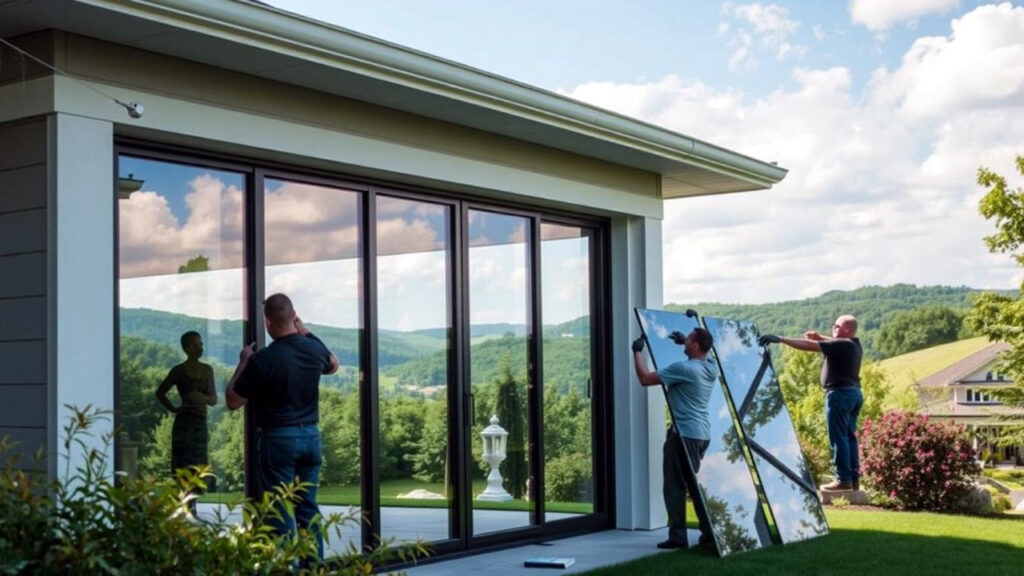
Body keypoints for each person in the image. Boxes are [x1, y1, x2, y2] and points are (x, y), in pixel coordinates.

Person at [225, 293, 340, 560]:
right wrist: (307, 332)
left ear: (268, 322)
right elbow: (333, 364)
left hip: (278, 440)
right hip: (311, 437)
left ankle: (285, 566)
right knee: (307, 508)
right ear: (294, 316)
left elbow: (232, 401)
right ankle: (313, 567)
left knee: (278, 509)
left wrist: (243, 361)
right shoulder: (312, 349)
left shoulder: (262, 359)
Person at [632, 328, 717, 550]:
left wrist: (637, 352)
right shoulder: (710, 368)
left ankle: (678, 537)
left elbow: (645, 378)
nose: (685, 342)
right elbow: (708, 354)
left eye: (688, 340)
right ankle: (709, 533)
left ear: (697, 346)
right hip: (702, 434)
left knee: (674, 486)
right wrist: (682, 342)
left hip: (684, 435)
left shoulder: (684, 368)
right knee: (694, 486)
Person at [759, 314, 863, 491]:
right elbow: (832, 342)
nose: (833, 327)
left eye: (837, 326)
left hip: (839, 394)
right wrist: (821, 337)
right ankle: (852, 479)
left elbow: (810, 346)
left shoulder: (842, 344)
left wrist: (781, 339)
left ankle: (842, 480)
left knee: (838, 439)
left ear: (847, 329)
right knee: (849, 438)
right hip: (853, 394)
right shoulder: (853, 345)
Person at [155, 331, 217, 485]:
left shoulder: (207, 370)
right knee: (182, 463)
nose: (200, 348)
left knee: (198, 463)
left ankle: (192, 500)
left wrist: (201, 398)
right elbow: (160, 393)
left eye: (201, 344)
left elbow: (213, 400)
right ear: (186, 348)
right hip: (183, 423)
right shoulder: (178, 371)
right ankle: (184, 501)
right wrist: (174, 409)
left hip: (199, 422)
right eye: (196, 345)